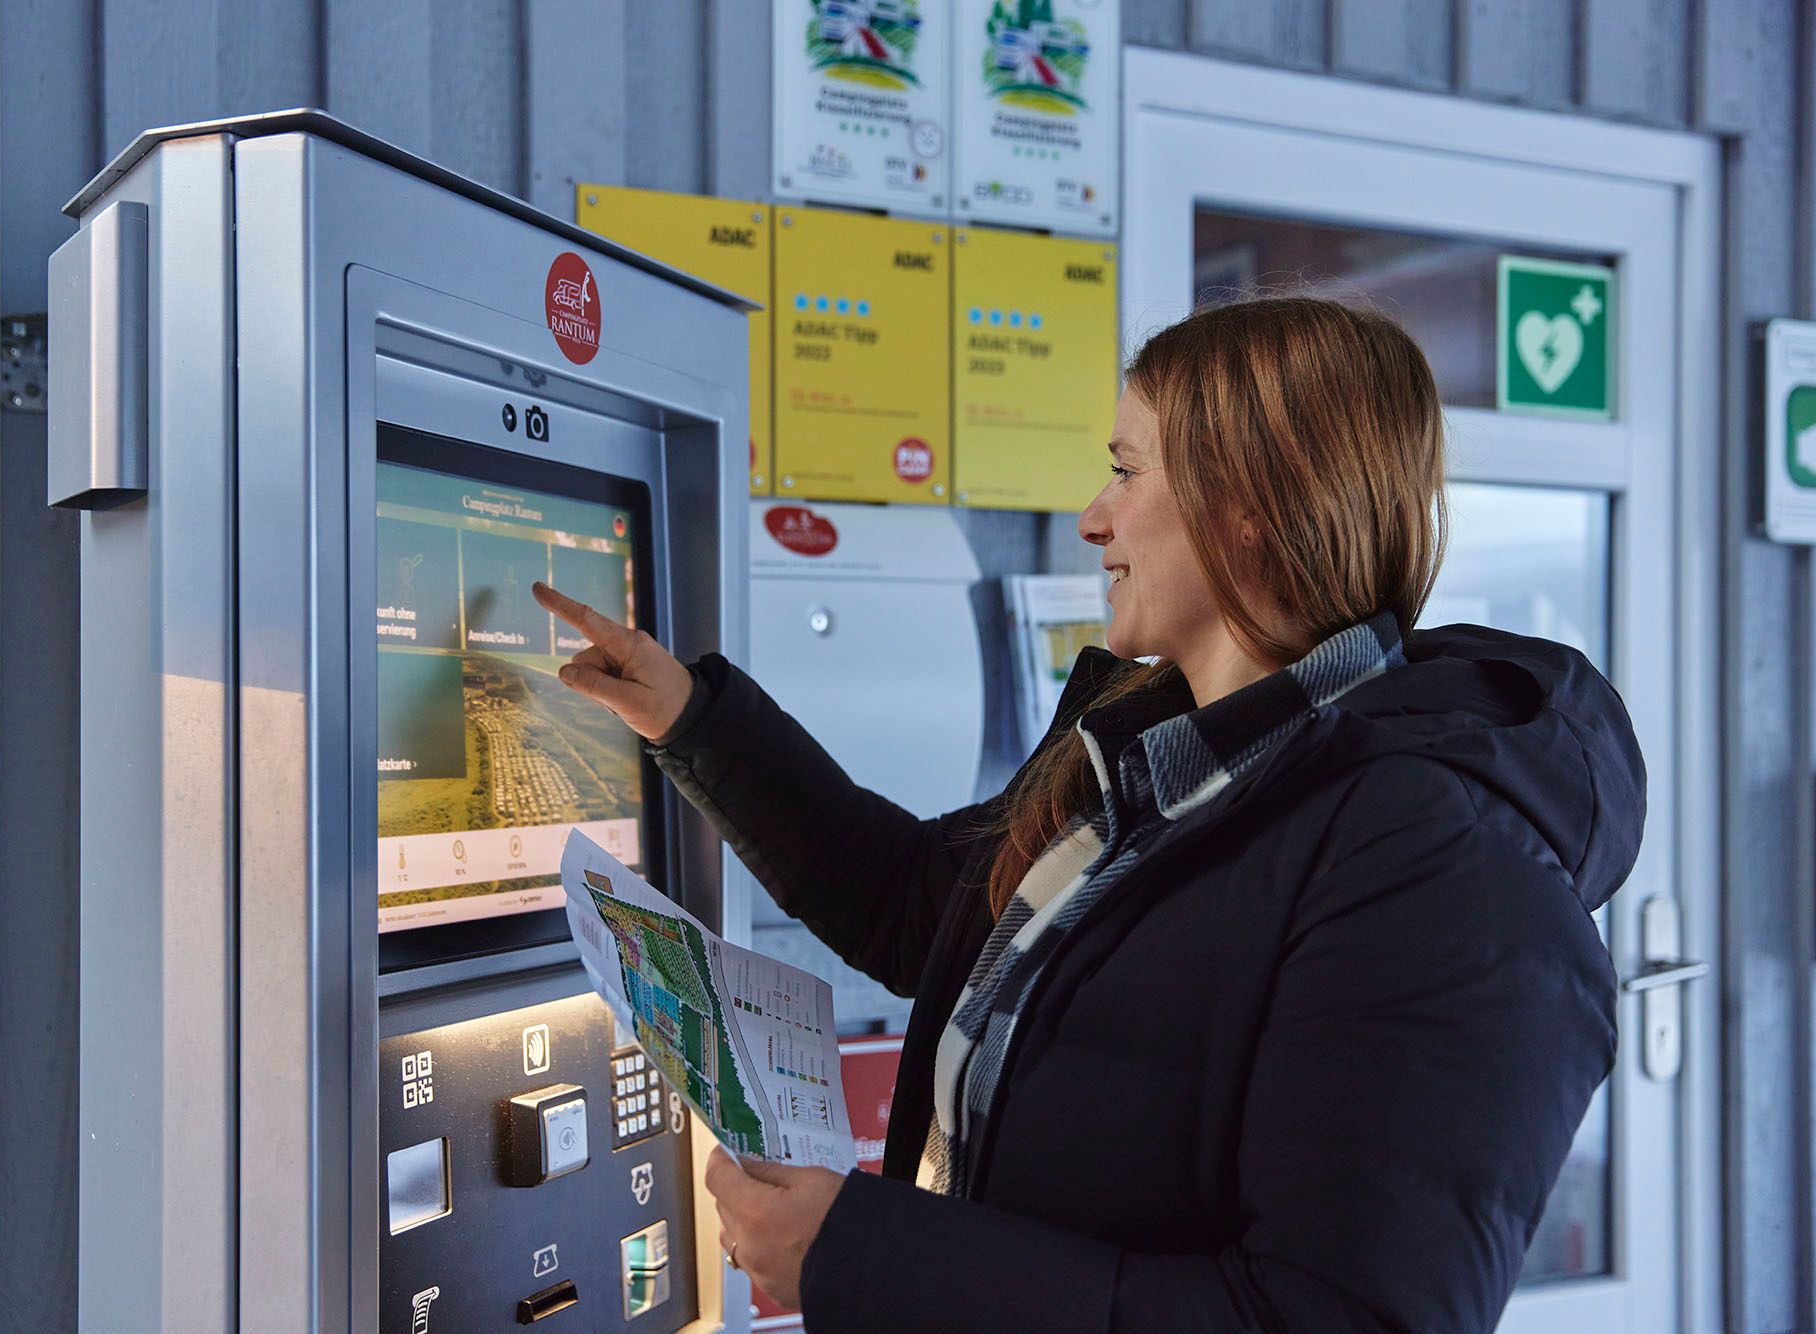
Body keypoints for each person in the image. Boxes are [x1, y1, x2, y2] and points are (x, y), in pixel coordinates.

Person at [532, 294, 1642, 1332]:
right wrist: (690, 718)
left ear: (1250, 506)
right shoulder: (1141, 751)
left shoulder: (1441, 865)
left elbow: (1331, 1315)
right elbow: (917, 907)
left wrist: (860, 1253)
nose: (1091, 517)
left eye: (1124, 470)